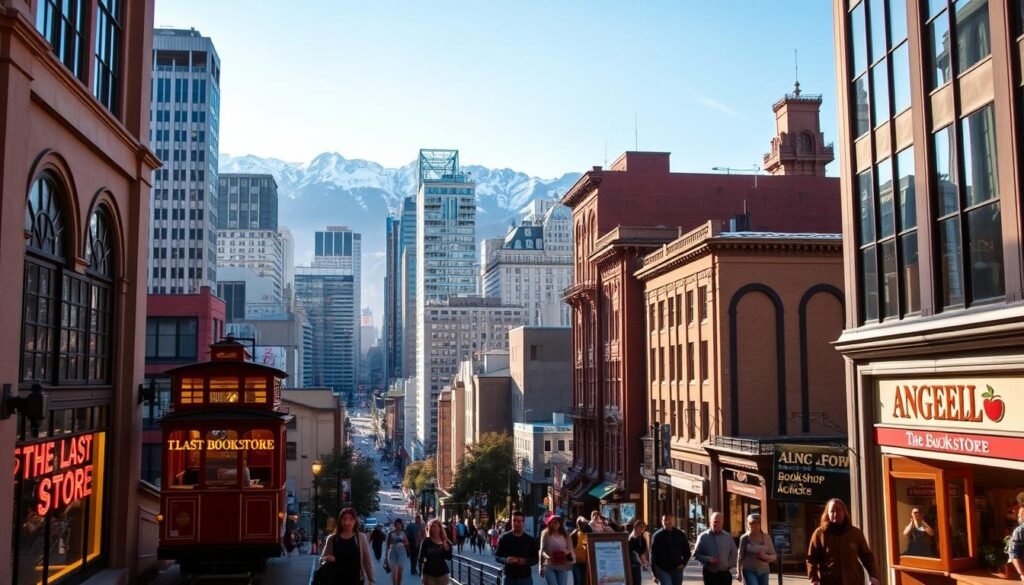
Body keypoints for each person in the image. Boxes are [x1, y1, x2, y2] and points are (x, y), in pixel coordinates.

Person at [807, 498, 880, 585]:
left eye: (838, 510)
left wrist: (874, 576)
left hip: (854, 581)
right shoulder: (820, 534)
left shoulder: (856, 533)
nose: (835, 513)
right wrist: (814, 578)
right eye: (832, 511)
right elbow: (812, 558)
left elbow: (867, 557)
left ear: (844, 512)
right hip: (829, 581)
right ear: (827, 514)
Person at [319, 507, 375, 585]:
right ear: (340, 521)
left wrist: (371, 580)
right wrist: (327, 558)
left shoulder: (361, 537)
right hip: (335, 580)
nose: (347, 522)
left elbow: (367, 560)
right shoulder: (332, 539)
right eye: (344, 519)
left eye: (351, 519)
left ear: (355, 521)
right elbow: (322, 560)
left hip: (356, 580)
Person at [496, 511, 539, 585]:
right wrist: (506, 560)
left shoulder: (530, 540)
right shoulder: (503, 538)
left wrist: (525, 561)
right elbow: (497, 556)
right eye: (514, 520)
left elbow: (536, 559)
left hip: (525, 578)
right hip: (509, 577)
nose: (516, 523)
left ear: (523, 522)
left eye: (519, 521)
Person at [694, 512, 737, 585]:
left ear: (722, 523)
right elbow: (696, 554)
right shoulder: (703, 537)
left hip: (724, 574)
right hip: (710, 573)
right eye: (714, 522)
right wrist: (708, 559)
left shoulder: (728, 537)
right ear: (710, 522)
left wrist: (728, 565)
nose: (716, 524)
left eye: (718, 522)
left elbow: (734, 553)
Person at [651, 513, 691, 585]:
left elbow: (687, 552)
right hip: (663, 569)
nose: (667, 522)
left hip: (677, 568)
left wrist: (683, 563)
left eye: (669, 520)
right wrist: (654, 573)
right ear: (662, 521)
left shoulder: (680, 534)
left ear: (672, 521)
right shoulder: (657, 536)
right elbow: (653, 555)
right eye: (665, 520)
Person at [738, 513, 777, 585]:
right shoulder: (744, 538)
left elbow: (774, 555)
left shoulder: (766, 537)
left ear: (760, 524)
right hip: (749, 570)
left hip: (764, 571)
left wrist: (765, 557)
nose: (754, 525)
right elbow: (740, 557)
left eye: (757, 523)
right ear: (747, 524)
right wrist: (739, 573)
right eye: (751, 523)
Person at [539, 515, 574, 585]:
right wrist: (541, 566)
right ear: (549, 523)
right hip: (549, 565)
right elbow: (541, 550)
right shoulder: (545, 534)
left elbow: (570, 550)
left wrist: (569, 556)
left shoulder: (566, 534)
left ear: (560, 523)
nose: (554, 524)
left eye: (556, 522)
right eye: (552, 522)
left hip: (562, 565)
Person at [417, 518, 453, 585]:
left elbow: (449, 557)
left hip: (443, 574)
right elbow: (420, 559)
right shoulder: (425, 542)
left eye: (435, 526)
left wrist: (446, 547)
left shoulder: (445, 541)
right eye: (431, 527)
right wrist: (422, 574)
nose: (433, 529)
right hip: (429, 574)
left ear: (440, 528)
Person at [385, 518, 410, 585]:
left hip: (401, 553)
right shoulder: (390, 533)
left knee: (399, 572)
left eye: (399, 524)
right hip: (392, 552)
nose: (397, 526)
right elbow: (387, 546)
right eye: (396, 525)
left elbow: (407, 543)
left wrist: (402, 543)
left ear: (401, 525)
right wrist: (385, 558)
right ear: (394, 525)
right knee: (394, 572)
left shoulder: (403, 533)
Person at [628, 519, 652, 585]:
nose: (642, 529)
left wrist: (645, 562)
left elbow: (642, 552)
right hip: (630, 565)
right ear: (635, 527)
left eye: (644, 528)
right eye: (641, 527)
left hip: (636, 566)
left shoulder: (642, 538)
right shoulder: (629, 539)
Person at [570, 515, 593, 585]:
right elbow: (569, 545)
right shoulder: (574, 533)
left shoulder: (589, 533)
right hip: (575, 562)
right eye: (582, 524)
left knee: (584, 580)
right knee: (578, 580)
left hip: (586, 561)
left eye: (585, 524)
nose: (583, 526)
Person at [1007, 506, 1024, 584]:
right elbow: (1014, 553)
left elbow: (1013, 553)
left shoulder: (1019, 531)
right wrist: (1022, 573)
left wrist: (1022, 573)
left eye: (1019, 516)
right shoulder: (1020, 531)